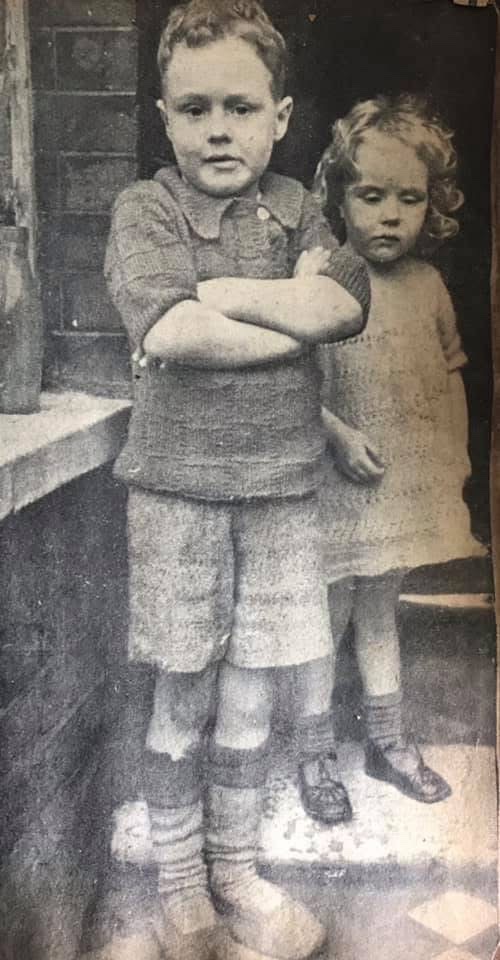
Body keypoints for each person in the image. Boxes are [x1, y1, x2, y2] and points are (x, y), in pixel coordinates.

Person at [104, 2, 370, 958]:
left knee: (253, 690)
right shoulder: (148, 209)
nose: (219, 128)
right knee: (184, 687)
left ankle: (237, 869)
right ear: (166, 117)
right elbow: (170, 331)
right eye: (195, 107)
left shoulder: (301, 208)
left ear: (282, 114)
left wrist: (216, 292)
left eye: (241, 107)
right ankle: (181, 886)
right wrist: (272, 322)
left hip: (282, 494)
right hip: (176, 491)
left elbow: (340, 304)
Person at [295, 93, 485, 825]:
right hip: (334, 485)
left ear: (431, 207)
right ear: (339, 197)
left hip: (399, 486)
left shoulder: (430, 286)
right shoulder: (322, 276)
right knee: (325, 616)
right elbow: (292, 385)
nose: (389, 215)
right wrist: (335, 434)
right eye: (370, 195)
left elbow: (450, 373)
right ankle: (313, 753)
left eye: (409, 199)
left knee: (382, 611)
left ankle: (388, 741)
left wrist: (456, 462)